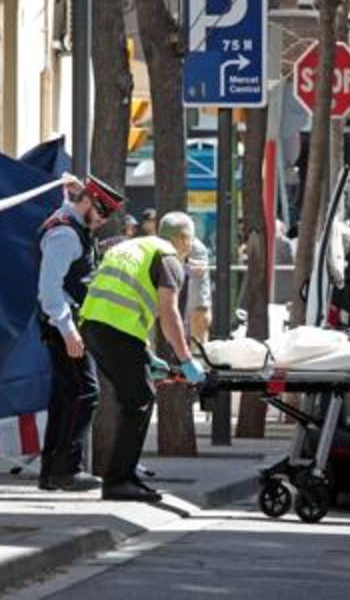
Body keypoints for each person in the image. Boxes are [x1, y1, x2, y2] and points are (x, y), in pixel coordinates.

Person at [78, 211, 206, 502]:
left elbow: (121, 294)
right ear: (185, 239)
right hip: (116, 329)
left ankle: (125, 476)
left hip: (93, 325)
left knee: (133, 397)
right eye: (190, 241)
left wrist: (146, 355)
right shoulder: (169, 257)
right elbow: (169, 313)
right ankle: (119, 481)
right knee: (140, 399)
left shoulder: (131, 246)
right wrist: (186, 359)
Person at [36, 176, 124, 492]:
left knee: (64, 396)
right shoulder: (65, 234)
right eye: (100, 214)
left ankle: (51, 472)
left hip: (64, 323)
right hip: (63, 324)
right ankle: (66, 469)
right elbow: (49, 289)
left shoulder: (70, 224)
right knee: (85, 393)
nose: (100, 222)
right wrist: (69, 330)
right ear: (87, 202)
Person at [184, 236, 213, 343]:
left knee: (198, 348)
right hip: (192, 307)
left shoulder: (195, 248)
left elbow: (198, 270)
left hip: (197, 309)